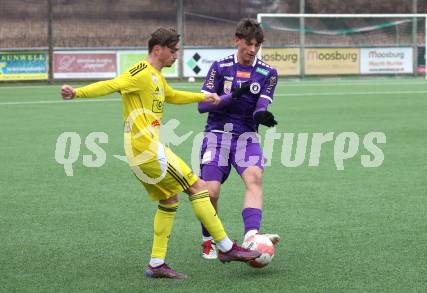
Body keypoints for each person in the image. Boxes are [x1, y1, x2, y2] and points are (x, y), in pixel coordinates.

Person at [60, 27, 261, 279]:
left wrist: (205, 97)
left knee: (169, 201)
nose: (176, 55)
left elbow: (172, 95)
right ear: (158, 49)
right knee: (198, 188)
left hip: (140, 152)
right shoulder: (140, 73)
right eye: (173, 50)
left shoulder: (156, 76)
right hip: (147, 150)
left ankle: (157, 263)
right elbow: (112, 84)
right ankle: (226, 247)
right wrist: (77, 92)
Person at [197, 19, 280, 260]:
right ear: (237, 40)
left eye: (257, 45)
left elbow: (261, 104)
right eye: (248, 44)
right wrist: (232, 96)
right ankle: (209, 239)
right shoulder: (220, 68)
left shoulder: (268, 73)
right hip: (217, 135)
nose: (252, 50)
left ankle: (251, 237)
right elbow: (202, 106)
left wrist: (261, 115)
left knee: (254, 177)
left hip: (246, 136)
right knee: (210, 192)